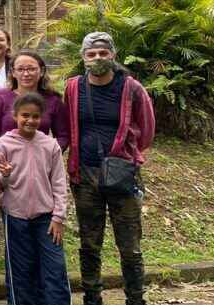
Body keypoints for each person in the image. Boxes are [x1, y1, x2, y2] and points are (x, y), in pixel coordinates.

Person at [64, 32, 155, 305]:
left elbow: (147, 129)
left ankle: (135, 299)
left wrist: (129, 155)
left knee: (129, 245)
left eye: (103, 53)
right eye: (91, 54)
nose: (97, 58)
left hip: (122, 174)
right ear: (83, 58)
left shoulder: (131, 87)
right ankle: (92, 297)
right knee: (90, 243)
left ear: (113, 55)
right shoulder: (73, 87)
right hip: (84, 174)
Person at [0, 92, 71, 305]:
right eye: (25, 115)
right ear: (15, 116)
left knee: (54, 268)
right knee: (20, 271)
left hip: (47, 218)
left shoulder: (50, 145)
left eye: (35, 116)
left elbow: (58, 183)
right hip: (15, 217)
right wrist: (5, 174)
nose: (30, 120)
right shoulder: (3, 143)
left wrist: (59, 216)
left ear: (42, 118)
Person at [0, 50, 69, 150]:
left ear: (41, 71)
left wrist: (49, 154)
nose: (26, 74)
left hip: (41, 161)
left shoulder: (53, 100)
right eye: (20, 69)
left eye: (31, 69)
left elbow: (63, 136)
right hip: (6, 162)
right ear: (13, 73)